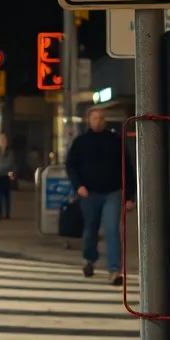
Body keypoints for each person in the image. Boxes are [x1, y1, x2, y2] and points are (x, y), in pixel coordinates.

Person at [66, 107, 135, 284]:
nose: (98, 121)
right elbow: (71, 166)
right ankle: (89, 260)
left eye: (101, 118)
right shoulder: (81, 142)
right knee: (91, 228)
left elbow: (127, 169)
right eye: (95, 118)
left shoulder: (115, 141)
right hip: (89, 193)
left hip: (113, 192)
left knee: (112, 230)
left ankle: (115, 270)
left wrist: (130, 196)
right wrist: (78, 186)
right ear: (89, 121)